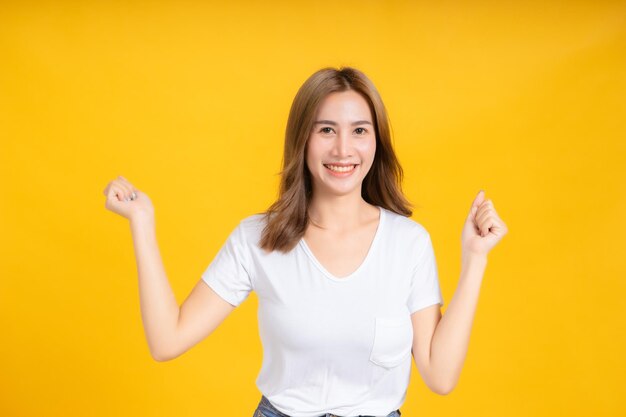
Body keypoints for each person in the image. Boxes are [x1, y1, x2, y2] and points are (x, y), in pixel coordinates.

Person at [103, 66, 508, 417]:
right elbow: (166, 340)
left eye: (359, 131)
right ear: (303, 140)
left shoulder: (408, 243)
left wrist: (474, 260)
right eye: (326, 130)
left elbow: (440, 375)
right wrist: (142, 222)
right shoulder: (258, 238)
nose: (343, 149)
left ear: (376, 142)